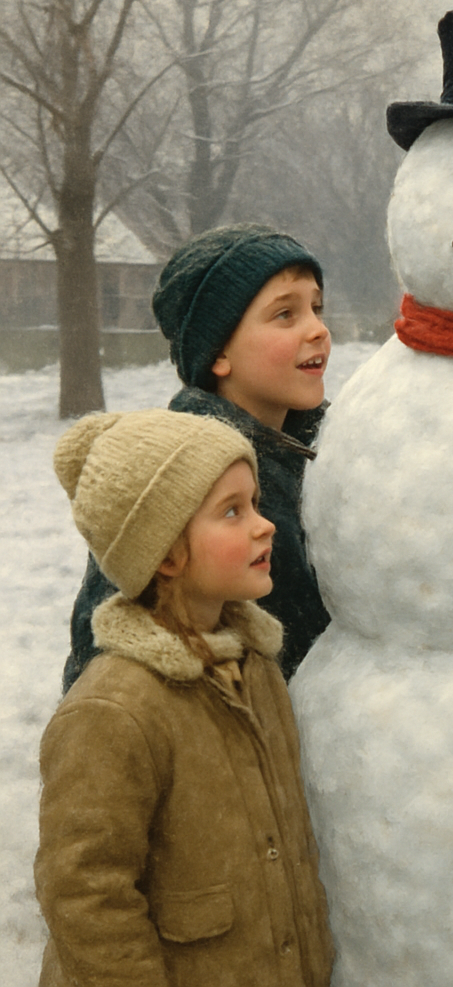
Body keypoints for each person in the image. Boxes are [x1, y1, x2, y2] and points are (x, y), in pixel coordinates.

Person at [37, 408, 334, 986]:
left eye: (255, 502)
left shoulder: (255, 668)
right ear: (166, 554)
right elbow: (83, 894)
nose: (264, 524)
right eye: (232, 511)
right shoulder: (114, 711)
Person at [64, 223, 332, 690]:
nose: (318, 330)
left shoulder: (335, 453)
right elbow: (104, 650)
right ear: (218, 354)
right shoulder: (174, 474)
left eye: (317, 308)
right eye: (285, 315)